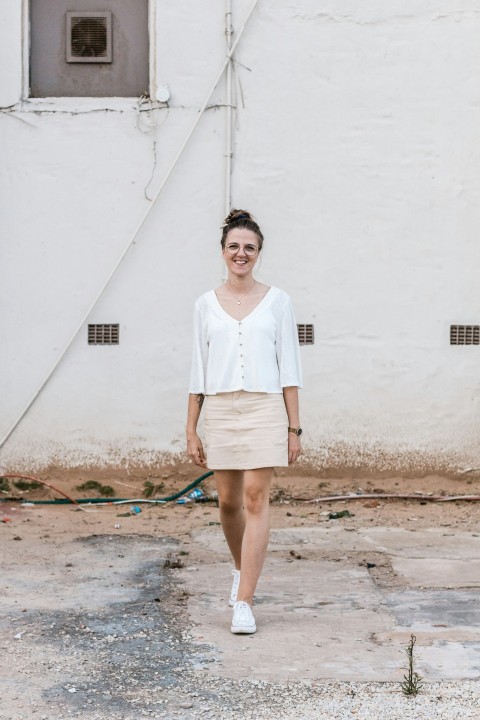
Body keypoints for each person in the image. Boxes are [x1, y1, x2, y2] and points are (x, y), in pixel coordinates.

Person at [186, 209, 303, 634]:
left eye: (248, 247)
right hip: (219, 408)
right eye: (234, 246)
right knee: (229, 502)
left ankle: (244, 601)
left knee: (256, 498)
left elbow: (289, 368)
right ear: (223, 252)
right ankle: (241, 569)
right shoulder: (204, 304)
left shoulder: (278, 302)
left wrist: (294, 428)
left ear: (259, 253)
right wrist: (190, 429)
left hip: (264, 408)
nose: (241, 253)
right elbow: (197, 372)